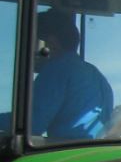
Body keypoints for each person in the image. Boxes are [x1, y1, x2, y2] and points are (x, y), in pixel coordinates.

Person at [31, 8, 113, 140]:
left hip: (64, 151)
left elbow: (31, 123)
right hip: (93, 149)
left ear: (51, 43)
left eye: (39, 41)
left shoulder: (56, 70)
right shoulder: (95, 74)